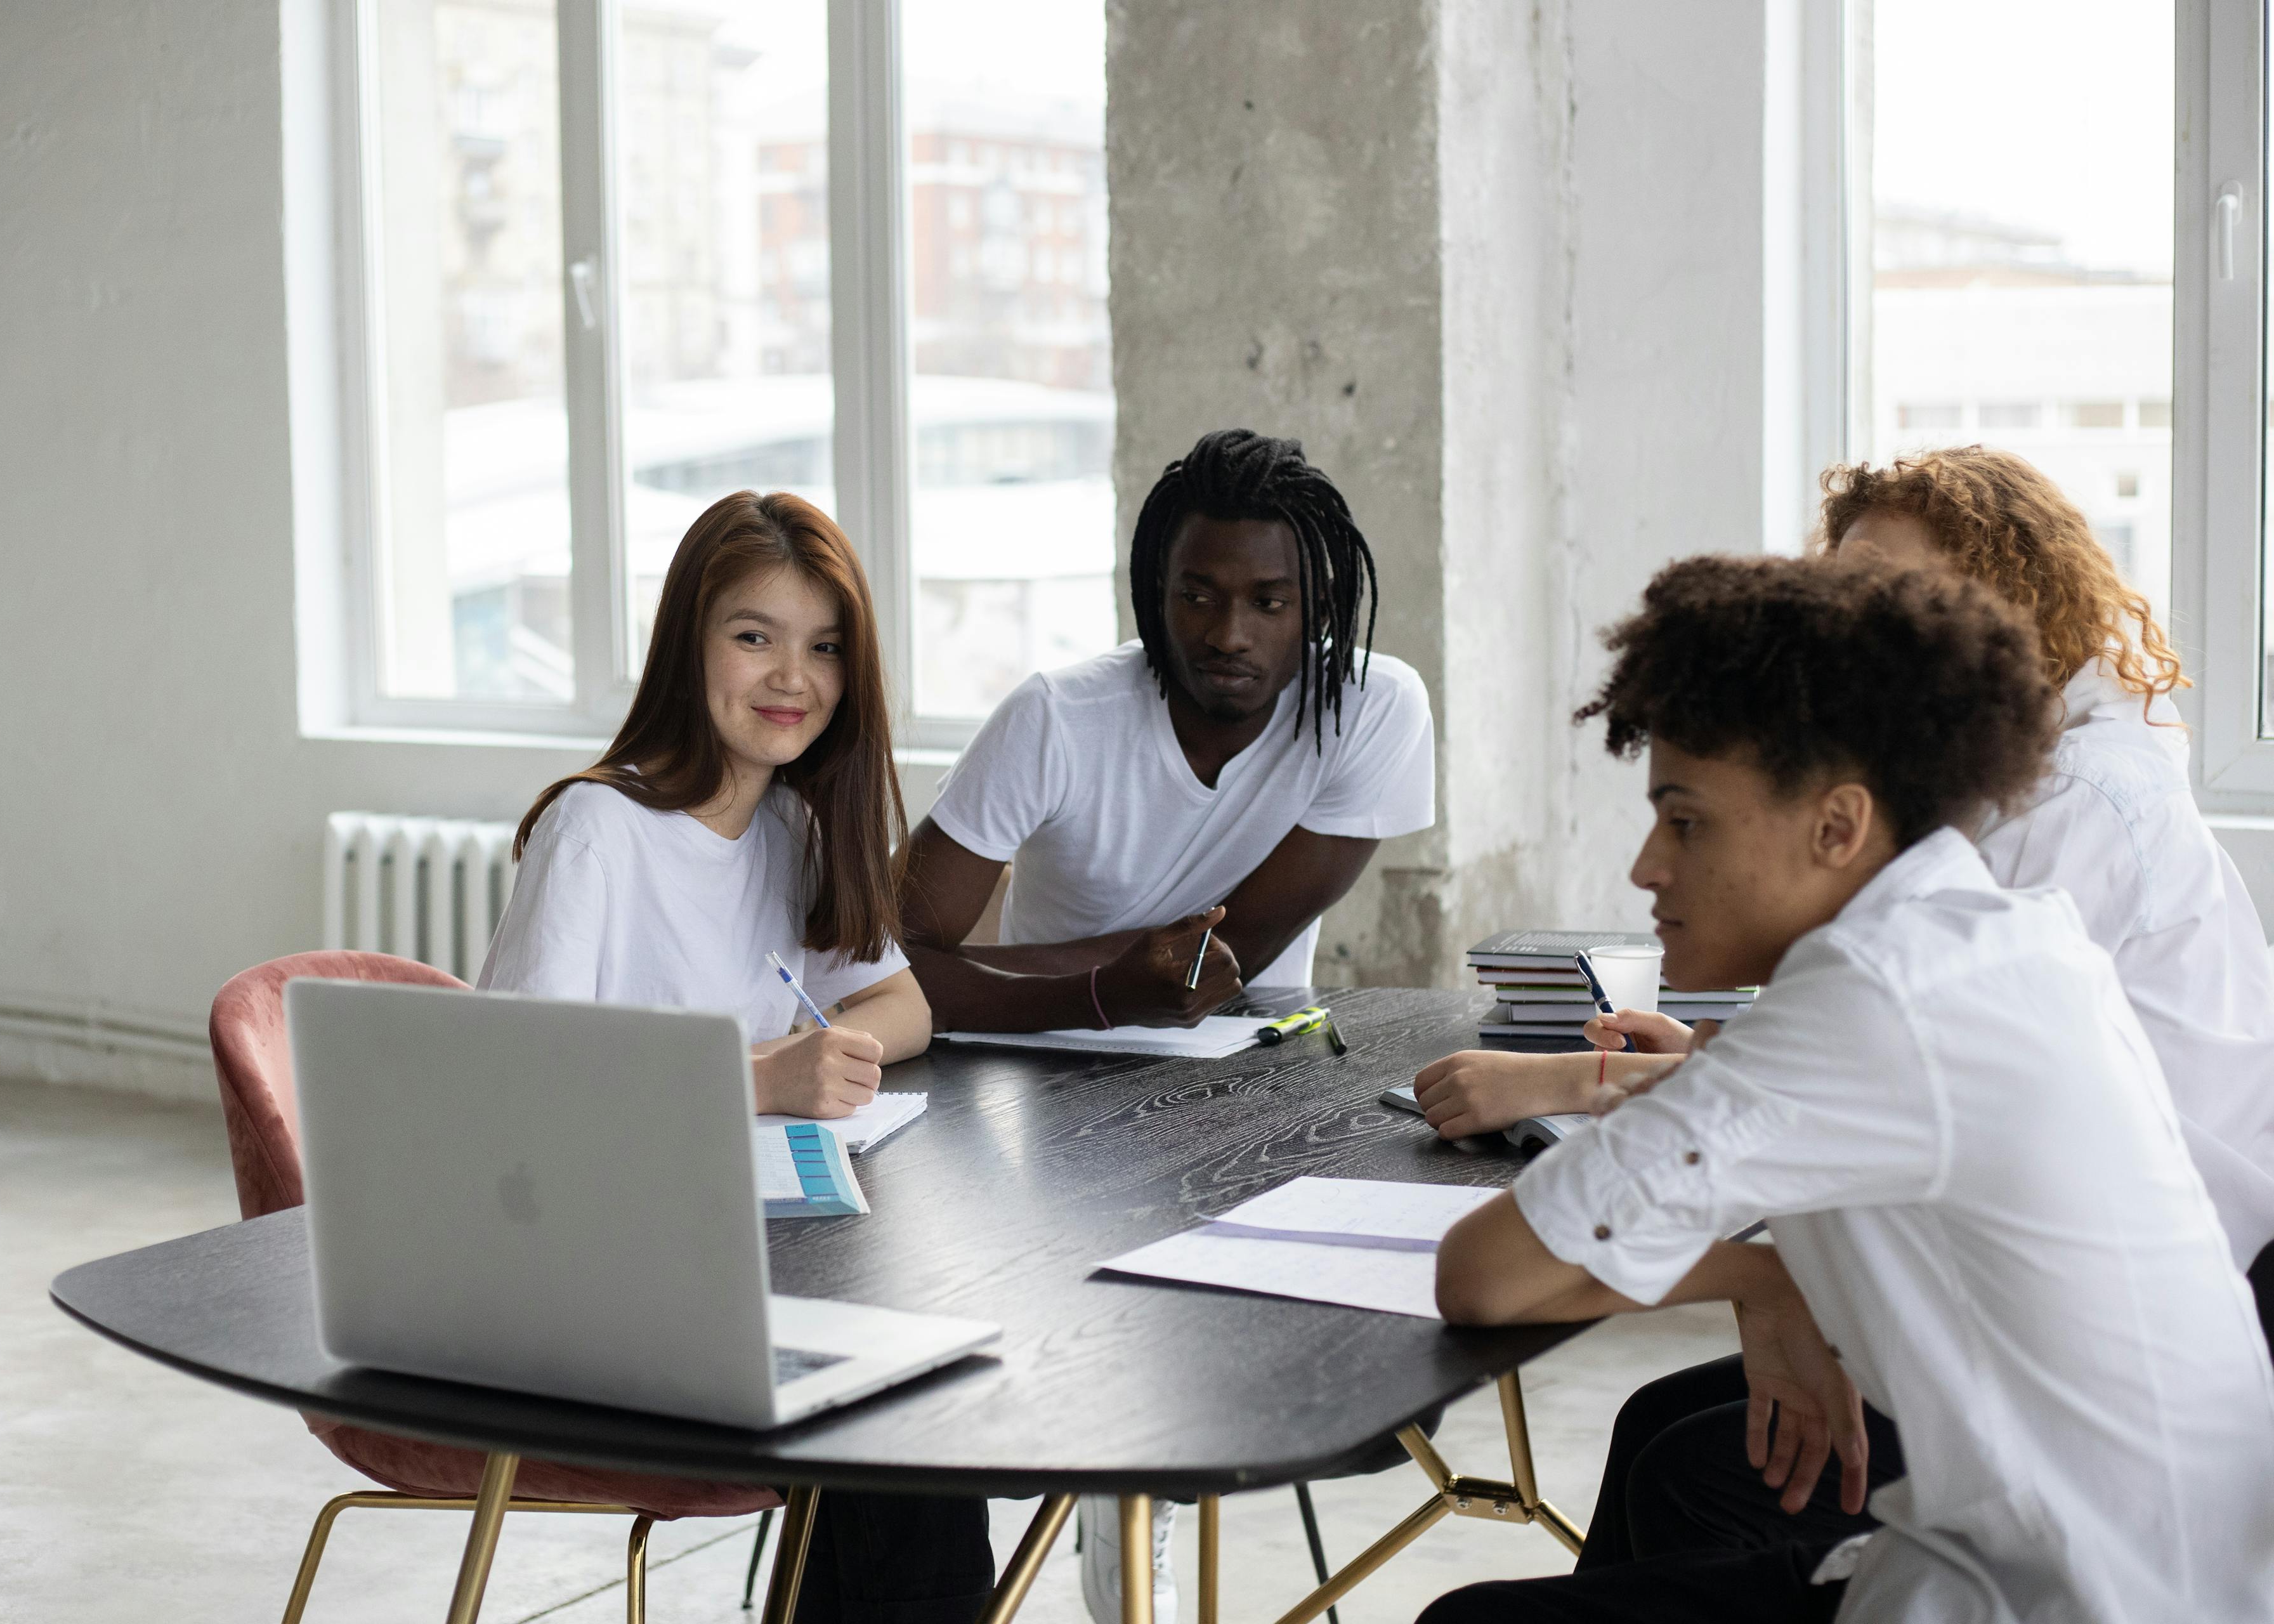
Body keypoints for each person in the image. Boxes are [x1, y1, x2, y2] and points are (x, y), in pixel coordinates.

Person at [1454, 448, 2274, 1577]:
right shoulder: (1955, 910)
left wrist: (1750, 1257)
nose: (1646, 867)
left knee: (1678, 1484)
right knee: (1664, 1438)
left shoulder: (2062, 817)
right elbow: (1877, 1076)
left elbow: (1870, 1059)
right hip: (2114, 1458)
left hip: (2112, 1480)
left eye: (1684, 823)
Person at [895, 428, 1434, 1623]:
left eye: (1266, 600)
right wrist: (1094, 992)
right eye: (1195, 593)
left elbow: (1215, 963)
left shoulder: (1372, 709)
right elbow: (888, 961)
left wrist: (1109, 976)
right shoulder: (1057, 717)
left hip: (1244, 1088)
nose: (1227, 631)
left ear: (1318, 608)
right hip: (1019, 1093)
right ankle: (1107, 1502)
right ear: (1154, 592)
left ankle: (1147, 1492)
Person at [477, 491, 989, 1624]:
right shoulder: (596, 829)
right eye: (753, 637)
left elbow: (906, 1000)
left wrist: (830, 1046)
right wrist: (758, 1078)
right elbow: (516, 1088)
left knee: (923, 1395)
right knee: (900, 1421)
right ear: (687, 643)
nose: (790, 678)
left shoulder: (792, 831)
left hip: (743, 1249)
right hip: (593, 1273)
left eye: (822, 648)